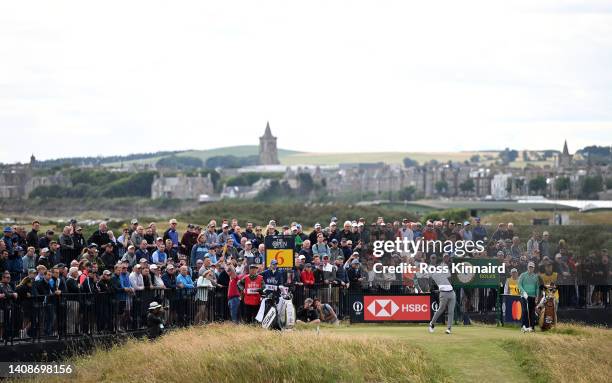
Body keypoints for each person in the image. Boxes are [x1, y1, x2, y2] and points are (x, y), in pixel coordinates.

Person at [425, 266, 456, 334]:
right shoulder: (432, 275)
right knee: (441, 309)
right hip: (443, 293)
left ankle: (449, 328)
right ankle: (432, 323)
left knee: (451, 311)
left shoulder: (441, 272)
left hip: (452, 293)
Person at [518, 261, 541, 332]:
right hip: (524, 296)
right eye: (529, 267)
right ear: (527, 267)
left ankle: (532, 327)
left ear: (534, 268)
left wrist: (537, 296)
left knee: (532, 312)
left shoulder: (536, 276)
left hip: (532, 296)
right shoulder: (523, 275)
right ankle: (523, 326)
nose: (530, 268)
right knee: (525, 311)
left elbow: (537, 287)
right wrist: (523, 292)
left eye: (532, 267)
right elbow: (519, 285)